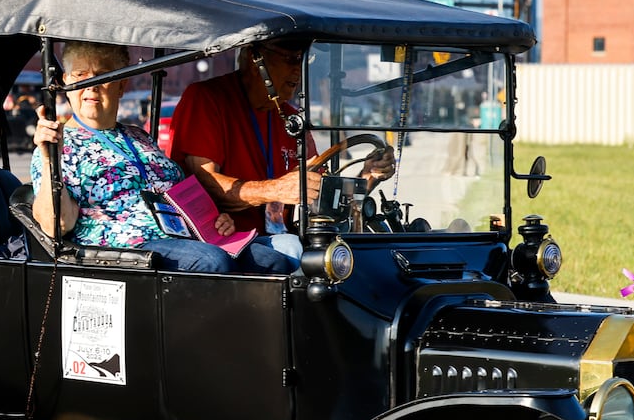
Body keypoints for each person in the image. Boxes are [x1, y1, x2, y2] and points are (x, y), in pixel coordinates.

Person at [31, 42, 295, 274]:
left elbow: (181, 193)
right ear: (66, 82)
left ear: (122, 85)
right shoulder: (58, 145)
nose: (91, 86)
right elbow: (57, 225)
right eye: (81, 76)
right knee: (211, 262)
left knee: (272, 261)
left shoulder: (139, 137)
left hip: (187, 238)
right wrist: (48, 159)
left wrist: (217, 218)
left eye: (103, 76)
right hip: (127, 249)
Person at [170, 40, 396, 261]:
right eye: (290, 59)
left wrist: (368, 176)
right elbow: (205, 183)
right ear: (254, 59)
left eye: (303, 60)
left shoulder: (289, 117)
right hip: (226, 239)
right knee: (290, 250)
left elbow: (320, 194)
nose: (298, 69)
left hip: (278, 235)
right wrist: (275, 189)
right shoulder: (207, 98)